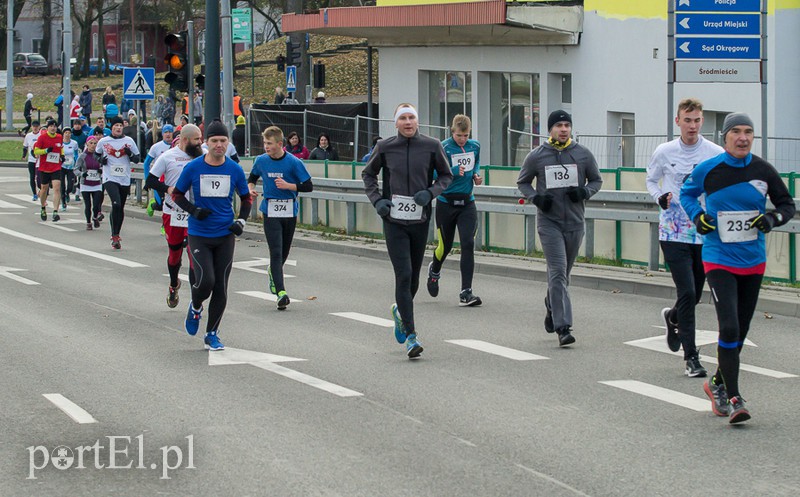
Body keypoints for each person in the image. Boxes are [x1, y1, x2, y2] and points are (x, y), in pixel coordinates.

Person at [681, 113, 796, 424]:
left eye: (748, 132)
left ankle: (716, 383)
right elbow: (686, 194)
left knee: (740, 332)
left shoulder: (763, 170)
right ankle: (734, 398)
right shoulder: (709, 169)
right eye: (736, 132)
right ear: (725, 137)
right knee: (729, 327)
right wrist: (697, 217)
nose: (743, 138)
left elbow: (787, 205)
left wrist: (772, 219)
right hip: (718, 258)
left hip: (753, 260)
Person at [362, 103, 453, 358]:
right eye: (403, 118)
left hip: (420, 219)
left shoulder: (432, 145)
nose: (408, 122)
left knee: (413, 278)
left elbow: (447, 176)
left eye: (412, 117)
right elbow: (368, 175)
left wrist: (430, 192)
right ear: (396, 123)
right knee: (403, 275)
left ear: (418, 121)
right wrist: (378, 200)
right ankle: (412, 336)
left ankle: (400, 312)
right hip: (394, 221)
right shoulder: (386, 147)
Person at [646, 98, 724, 377]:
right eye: (687, 120)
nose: (692, 126)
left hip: (703, 233)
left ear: (702, 122)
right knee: (688, 292)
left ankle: (673, 316)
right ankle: (692, 358)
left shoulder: (714, 153)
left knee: (695, 295)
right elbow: (651, 179)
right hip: (673, 231)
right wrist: (660, 198)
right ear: (677, 121)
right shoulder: (665, 151)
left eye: (697, 120)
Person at [517, 110, 603, 347]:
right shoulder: (537, 156)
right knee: (557, 271)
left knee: (563, 277)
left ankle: (551, 304)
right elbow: (522, 182)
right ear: (550, 129)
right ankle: (563, 327)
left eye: (567, 125)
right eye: (559, 125)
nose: (563, 129)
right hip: (549, 223)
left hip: (575, 223)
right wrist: (536, 198)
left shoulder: (583, 154)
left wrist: (584, 192)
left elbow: (596, 180)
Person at [172, 120, 253, 351]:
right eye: (215, 141)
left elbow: (246, 198)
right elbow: (177, 195)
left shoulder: (234, 169)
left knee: (221, 287)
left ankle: (211, 334)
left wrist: (241, 221)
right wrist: (194, 211)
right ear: (206, 142)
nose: (219, 145)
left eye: (223, 141)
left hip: (225, 234)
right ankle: (196, 306)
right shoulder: (194, 167)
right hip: (199, 234)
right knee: (206, 280)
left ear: (228, 143)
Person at [248, 126, 313, 310]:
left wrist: (288, 186)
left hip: (289, 211)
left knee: (284, 252)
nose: (266, 147)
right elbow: (252, 177)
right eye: (264, 143)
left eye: (269, 143)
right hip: (270, 211)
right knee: (275, 252)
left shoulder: (293, 162)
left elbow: (308, 186)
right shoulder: (261, 161)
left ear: (279, 144)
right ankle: (281, 293)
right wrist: (250, 188)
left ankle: (272, 273)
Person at [426, 115, 483, 307]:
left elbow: (475, 163)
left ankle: (466, 292)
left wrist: (476, 174)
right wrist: (452, 169)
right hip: (446, 203)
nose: (463, 139)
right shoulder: (443, 147)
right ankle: (434, 271)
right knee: (445, 246)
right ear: (452, 132)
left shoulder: (474, 145)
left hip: (467, 203)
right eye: (459, 135)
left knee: (468, 243)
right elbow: (433, 173)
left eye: (466, 135)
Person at [146, 124, 205, 308]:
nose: (200, 142)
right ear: (186, 140)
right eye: (197, 139)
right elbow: (150, 180)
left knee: (193, 252)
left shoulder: (203, 154)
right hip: (173, 212)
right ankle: (173, 284)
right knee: (175, 255)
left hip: (194, 212)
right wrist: (167, 189)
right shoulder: (167, 157)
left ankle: (196, 299)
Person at [96, 116, 141, 249]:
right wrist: (101, 161)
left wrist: (130, 154)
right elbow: (96, 154)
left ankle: (117, 233)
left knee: (120, 207)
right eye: (116, 126)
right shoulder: (104, 141)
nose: (118, 128)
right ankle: (114, 235)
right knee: (115, 203)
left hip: (124, 178)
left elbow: (137, 158)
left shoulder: (129, 141)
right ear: (112, 127)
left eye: (120, 126)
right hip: (110, 177)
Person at [33, 119, 65, 222]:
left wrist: (62, 155)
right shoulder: (42, 137)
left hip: (56, 167)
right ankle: (43, 207)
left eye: (55, 126)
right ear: (48, 128)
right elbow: (36, 151)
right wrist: (46, 151)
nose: (53, 128)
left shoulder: (59, 137)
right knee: (44, 189)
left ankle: (55, 211)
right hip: (44, 168)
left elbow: (61, 148)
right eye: (51, 126)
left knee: (56, 188)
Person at [144, 124, 175, 216]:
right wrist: (147, 180)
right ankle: (152, 204)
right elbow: (146, 164)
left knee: (171, 203)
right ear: (162, 134)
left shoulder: (177, 146)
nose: (168, 134)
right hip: (158, 180)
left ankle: (165, 225)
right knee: (161, 204)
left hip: (171, 179)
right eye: (165, 132)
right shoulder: (156, 147)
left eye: (170, 132)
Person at [74, 136, 104, 230]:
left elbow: (105, 166)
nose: (93, 145)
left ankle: (95, 217)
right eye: (91, 143)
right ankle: (88, 222)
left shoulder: (100, 156)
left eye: (95, 144)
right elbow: (75, 170)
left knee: (96, 205)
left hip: (97, 183)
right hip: (85, 184)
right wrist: (82, 174)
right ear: (87, 144)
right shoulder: (82, 156)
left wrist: (101, 170)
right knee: (88, 205)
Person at [60, 128, 80, 210]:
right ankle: (63, 202)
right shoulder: (60, 143)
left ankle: (67, 193)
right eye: (66, 133)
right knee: (62, 185)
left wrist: (76, 163)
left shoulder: (74, 143)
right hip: (61, 166)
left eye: (69, 133)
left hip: (71, 166)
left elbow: (76, 154)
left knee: (70, 186)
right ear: (63, 134)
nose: (67, 134)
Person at [22, 120, 41, 200]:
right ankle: (34, 193)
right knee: (32, 177)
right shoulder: (28, 136)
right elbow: (25, 146)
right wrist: (24, 156)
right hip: (31, 160)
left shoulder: (41, 135)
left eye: (37, 127)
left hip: (40, 160)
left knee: (40, 177)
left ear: (39, 127)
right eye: (34, 127)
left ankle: (42, 190)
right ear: (32, 127)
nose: (35, 128)